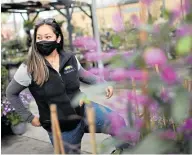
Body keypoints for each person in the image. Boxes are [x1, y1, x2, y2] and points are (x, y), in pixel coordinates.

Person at [6, 18, 126, 154]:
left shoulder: (69, 58)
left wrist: (102, 83)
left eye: (47, 37)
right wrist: (29, 117)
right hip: (62, 129)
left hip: (84, 111)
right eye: (39, 38)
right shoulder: (29, 67)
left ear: (57, 38)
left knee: (119, 123)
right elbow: (11, 93)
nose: (43, 41)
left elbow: (83, 74)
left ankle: (122, 151)